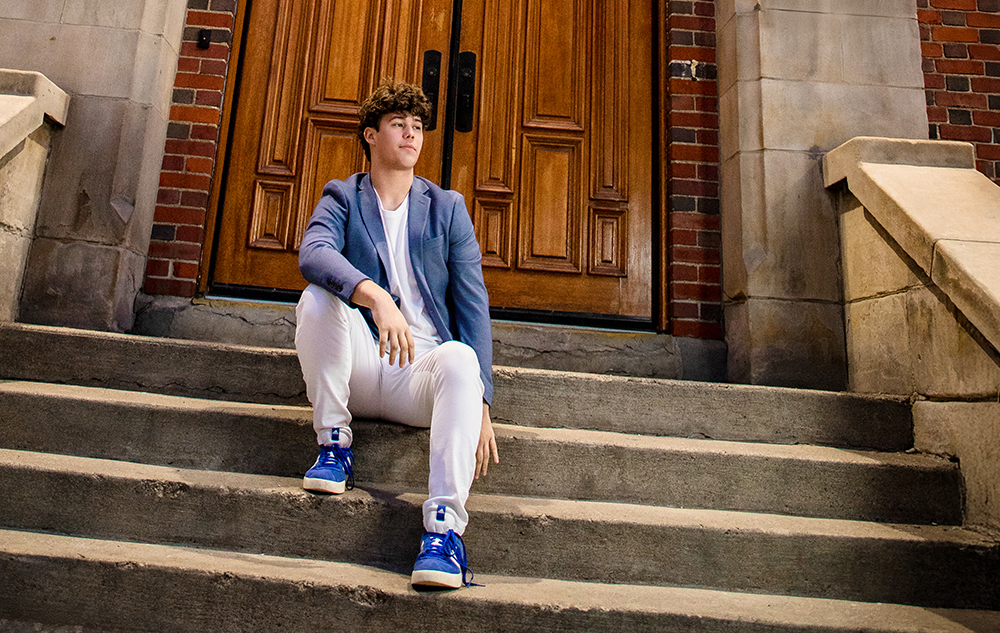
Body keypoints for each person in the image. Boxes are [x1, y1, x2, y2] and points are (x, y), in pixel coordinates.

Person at [294, 81, 499, 590]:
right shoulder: (343, 195)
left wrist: (482, 403)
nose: (411, 134)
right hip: (360, 363)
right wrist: (375, 296)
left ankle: (444, 534)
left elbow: (474, 307)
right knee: (317, 298)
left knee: (458, 359)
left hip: (420, 376)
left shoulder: (446, 207)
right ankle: (334, 443)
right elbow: (313, 253)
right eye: (398, 125)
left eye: (418, 127)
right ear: (370, 135)